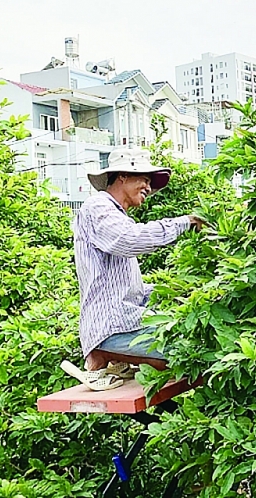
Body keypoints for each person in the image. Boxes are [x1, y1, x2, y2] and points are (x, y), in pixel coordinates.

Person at [65, 148, 203, 388]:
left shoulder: (115, 216)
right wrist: (184, 223)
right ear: (123, 176)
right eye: (145, 180)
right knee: (191, 355)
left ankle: (109, 359)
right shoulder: (98, 206)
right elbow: (130, 239)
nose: (148, 188)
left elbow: (127, 289)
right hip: (112, 327)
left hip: (124, 323)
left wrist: (173, 292)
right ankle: (104, 356)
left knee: (194, 343)